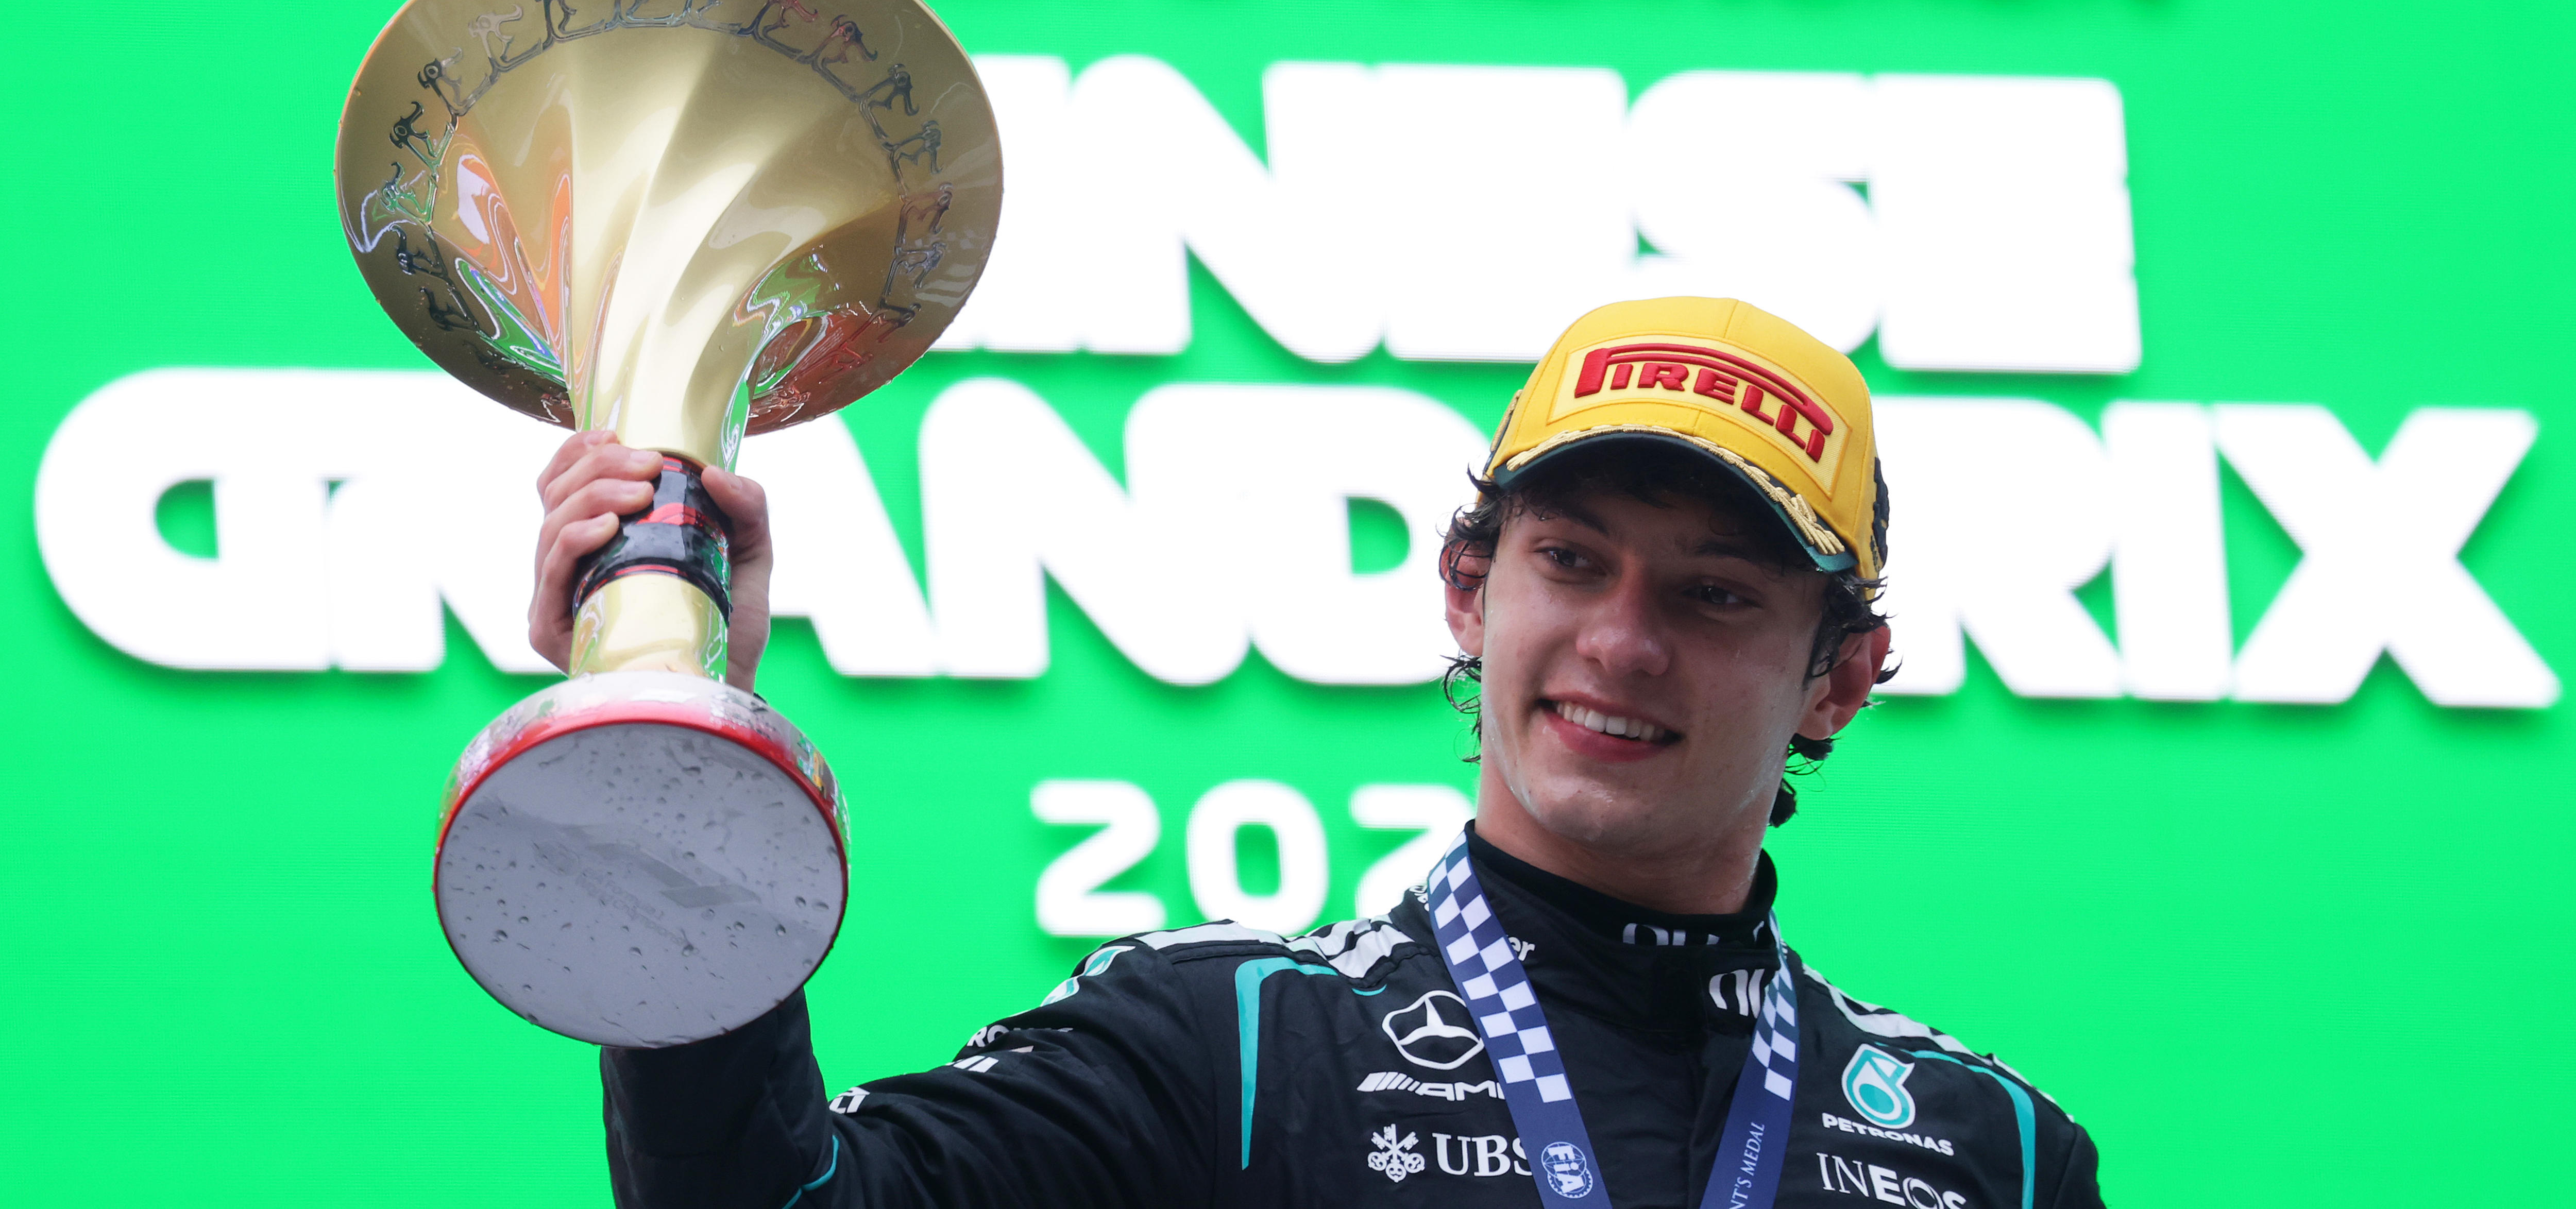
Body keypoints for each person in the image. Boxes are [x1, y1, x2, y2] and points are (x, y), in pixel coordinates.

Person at [529, 297, 2106, 1209]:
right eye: (1572, 563)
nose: (1623, 643)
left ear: (1841, 678)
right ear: (1470, 591)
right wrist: (680, 753)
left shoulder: (1997, 1156)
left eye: (1712, 594)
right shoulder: (1235, 1046)